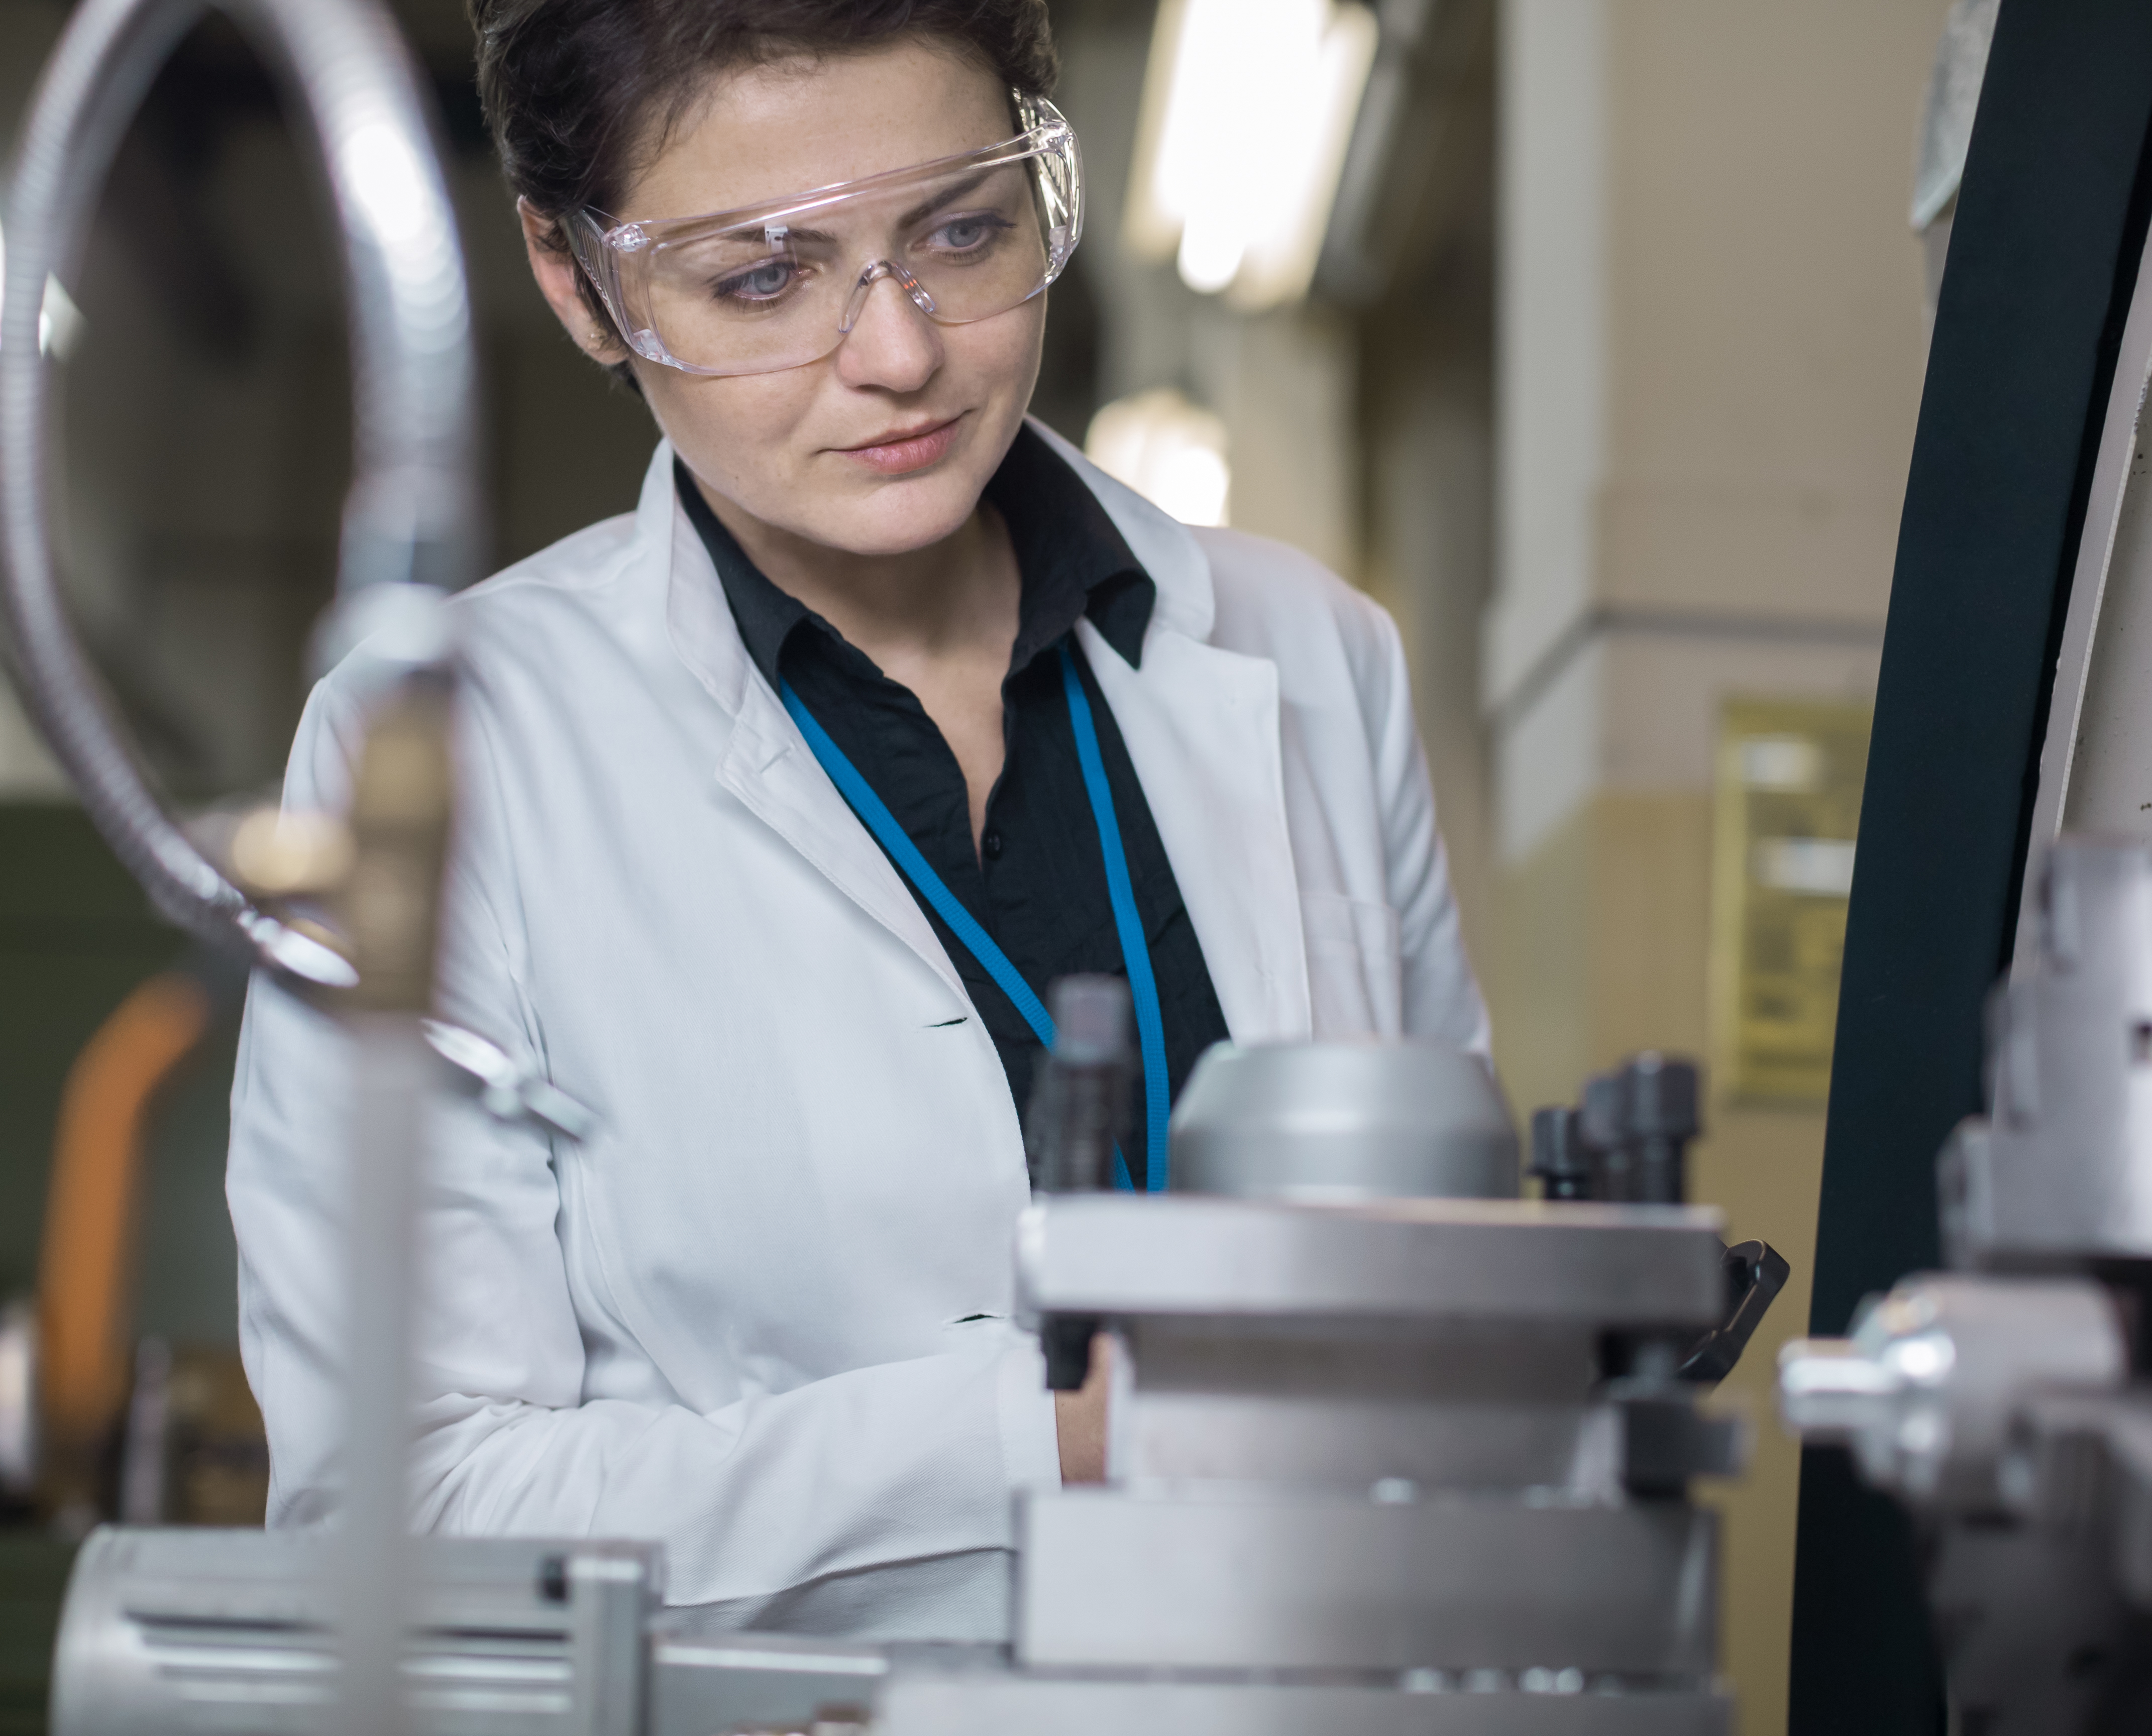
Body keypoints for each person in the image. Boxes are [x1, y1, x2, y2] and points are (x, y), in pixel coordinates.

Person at [225, 0, 1486, 1642]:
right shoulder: (453, 744)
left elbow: (1460, 1292)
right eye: (763, 278)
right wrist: (1052, 1444)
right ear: (578, 282)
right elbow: (403, 1507)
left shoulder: (1314, 656)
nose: (898, 353)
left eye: (961, 232)